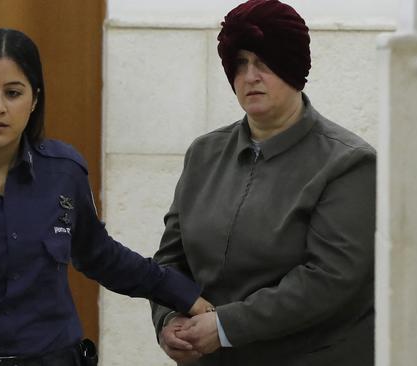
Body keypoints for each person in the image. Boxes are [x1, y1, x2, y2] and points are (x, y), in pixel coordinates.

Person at [0, 28, 210, 366]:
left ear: (34, 100)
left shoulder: (64, 173)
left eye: (13, 93)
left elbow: (101, 256)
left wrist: (182, 293)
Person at [150, 0, 376, 365]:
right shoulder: (204, 154)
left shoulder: (348, 163)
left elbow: (330, 280)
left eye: (263, 62)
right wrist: (169, 318)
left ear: (294, 67)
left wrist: (225, 326)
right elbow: (171, 258)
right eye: (239, 63)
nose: (249, 76)